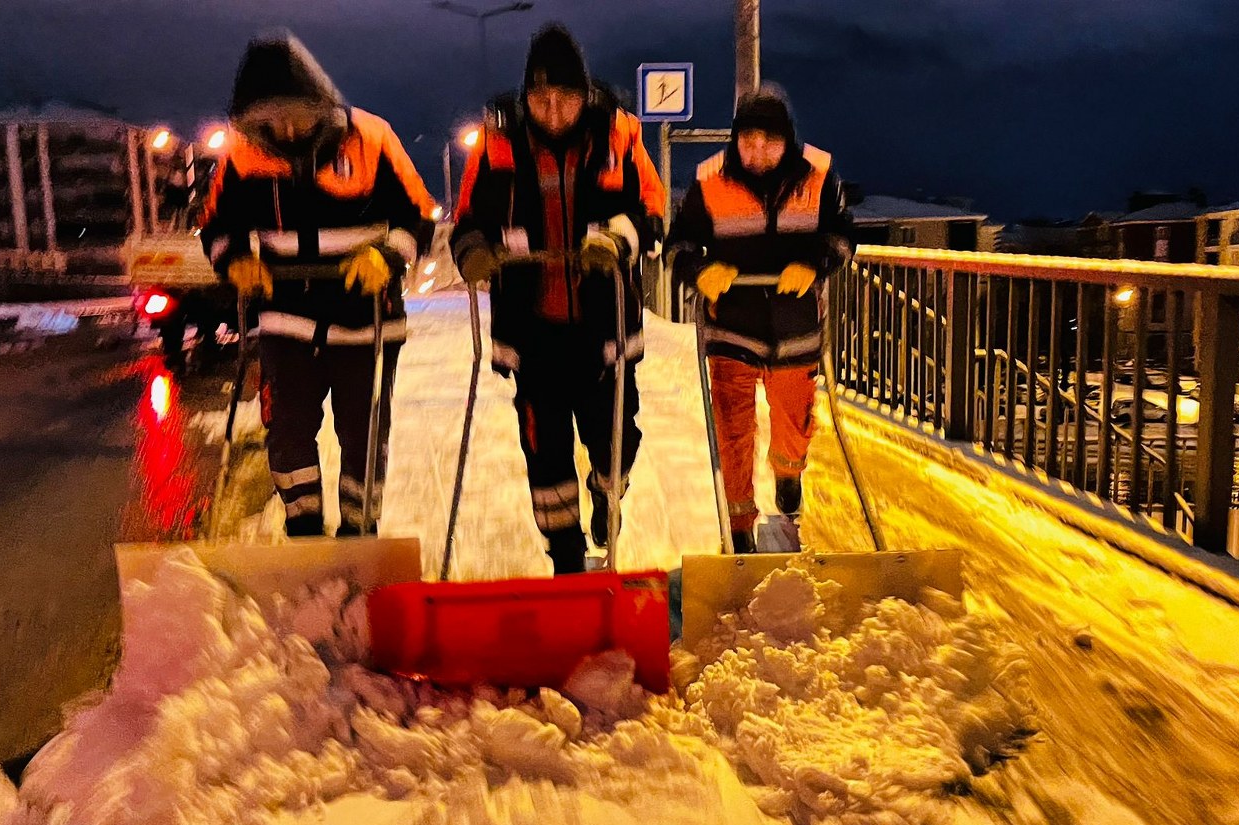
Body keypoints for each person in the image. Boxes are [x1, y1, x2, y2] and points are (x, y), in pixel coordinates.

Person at [200, 30, 437, 537]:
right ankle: (303, 527)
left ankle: (358, 530)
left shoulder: (371, 138)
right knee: (286, 433)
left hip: (366, 321)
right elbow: (217, 226)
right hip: (286, 322)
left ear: (320, 103)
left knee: (364, 436)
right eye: (268, 118)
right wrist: (236, 260)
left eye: (294, 113)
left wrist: (388, 256)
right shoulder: (244, 155)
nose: (284, 128)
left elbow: (417, 216)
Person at [451, 24, 665, 574]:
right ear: (525, 100)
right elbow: (467, 220)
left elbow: (653, 209)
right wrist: (473, 251)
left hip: (604, 328)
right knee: (545, 458)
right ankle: (566, 559)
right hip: (533, 330)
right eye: (540, 100)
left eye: (564, 98)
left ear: (584, 95)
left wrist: (618, 239)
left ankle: (606, 494)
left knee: (616, 443)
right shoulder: (498, 140)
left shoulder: (618, 134)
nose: (552, 111)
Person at [665, 87, 853, 553]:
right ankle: (741, 528)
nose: (758, 151)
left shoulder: (820, 177)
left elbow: (843, 236)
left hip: (796, 331)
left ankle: (789, 476)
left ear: (787, 141)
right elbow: (678, 246)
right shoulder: (710, 181)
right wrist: (700, 271)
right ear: (735, 140)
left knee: (793, 425)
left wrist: (814, 264)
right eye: (747, 140)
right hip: (731, 327)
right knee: (733, 433)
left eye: (769, 141)